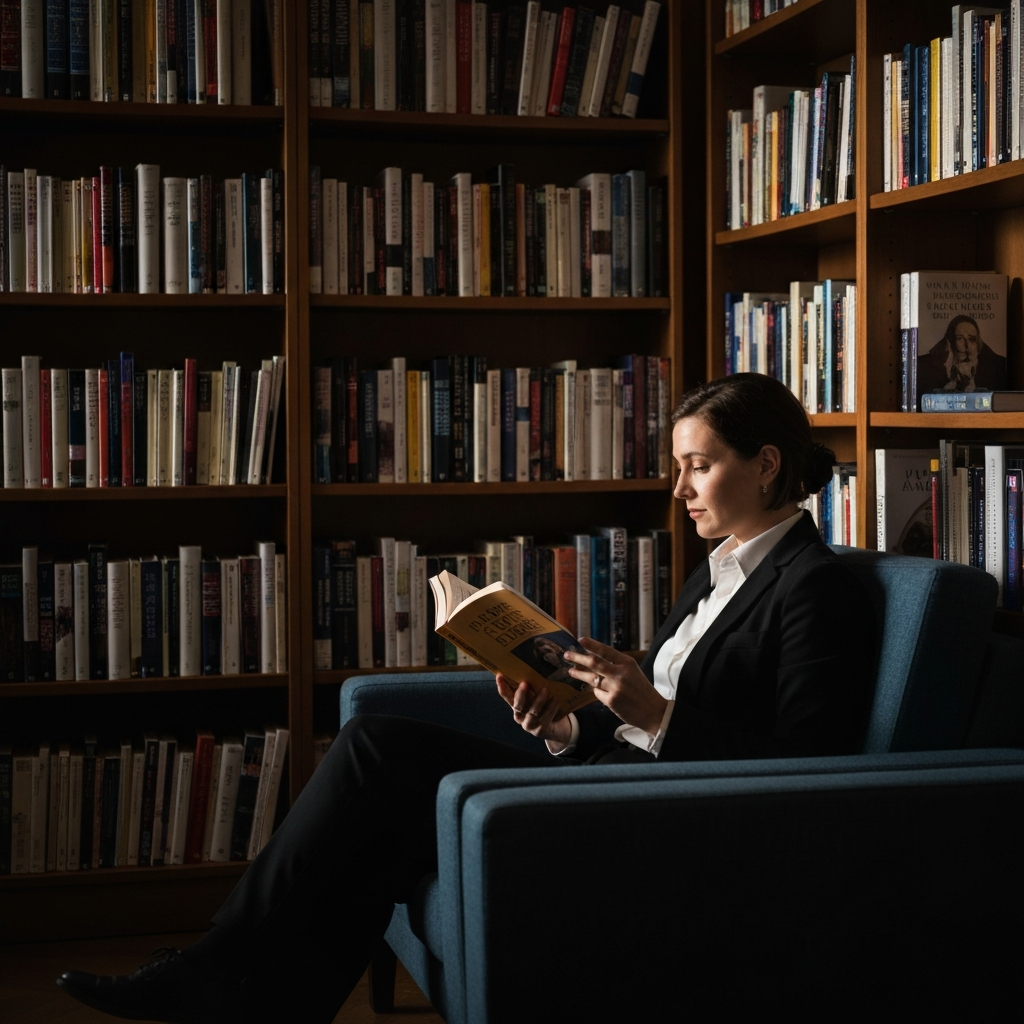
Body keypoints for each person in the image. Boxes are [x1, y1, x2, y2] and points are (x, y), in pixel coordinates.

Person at [56, 373, 876, 1024]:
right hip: (614, 780)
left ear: (767, 464)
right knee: (380, 790)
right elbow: (648, 713)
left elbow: (813, 769)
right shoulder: (720, 567)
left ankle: (213, 975)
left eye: (699, 466)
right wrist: (565, 723)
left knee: (378, 754)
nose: (679, 489)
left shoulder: (814, 587)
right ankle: (250, 998)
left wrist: (653, 715)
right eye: (679, 468)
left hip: (668, 821)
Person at [916, 313, 1008, 396]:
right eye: (959, 338)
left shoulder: (998, 368)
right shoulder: (923, 368)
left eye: (971, 339)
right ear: (949, 343)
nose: (966, 346)